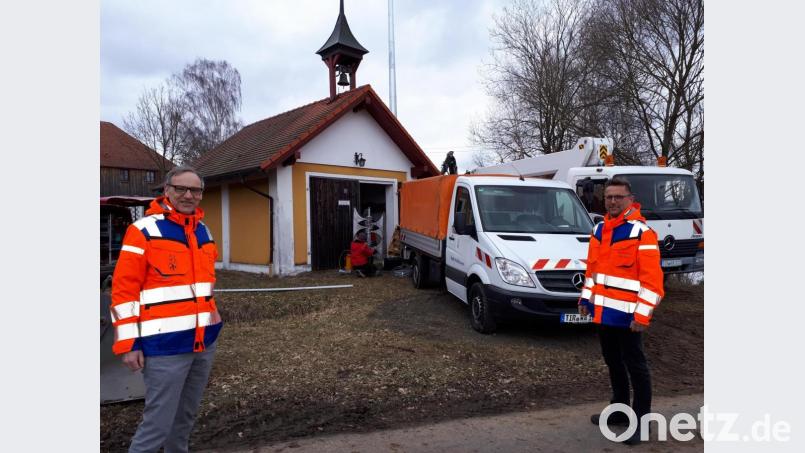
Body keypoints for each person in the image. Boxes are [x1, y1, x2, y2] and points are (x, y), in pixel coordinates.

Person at [110, 165, 223, 453]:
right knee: (157, 424)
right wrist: (128, 343)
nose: (188, 195)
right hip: (163, 346)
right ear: (167, 191)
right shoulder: (142, 231)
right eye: (180, 189)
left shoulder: (204, 231)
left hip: (202, 342)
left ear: (201, 194)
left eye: (195, 190)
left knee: (184, 418)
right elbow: (124, 291)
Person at [577, 178, 664, 445]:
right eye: (609, 197)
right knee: (613, 362)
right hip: (604, 314)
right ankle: (619, 412)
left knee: (636, 367)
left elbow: (653, 282)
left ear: (630, 199)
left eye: (618, 197)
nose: (613, 201)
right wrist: (586, 299)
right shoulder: (599, 230)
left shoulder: (642, 233)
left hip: (629, 318)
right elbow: (592, 271)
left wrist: (642, 315)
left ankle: (640, 423)